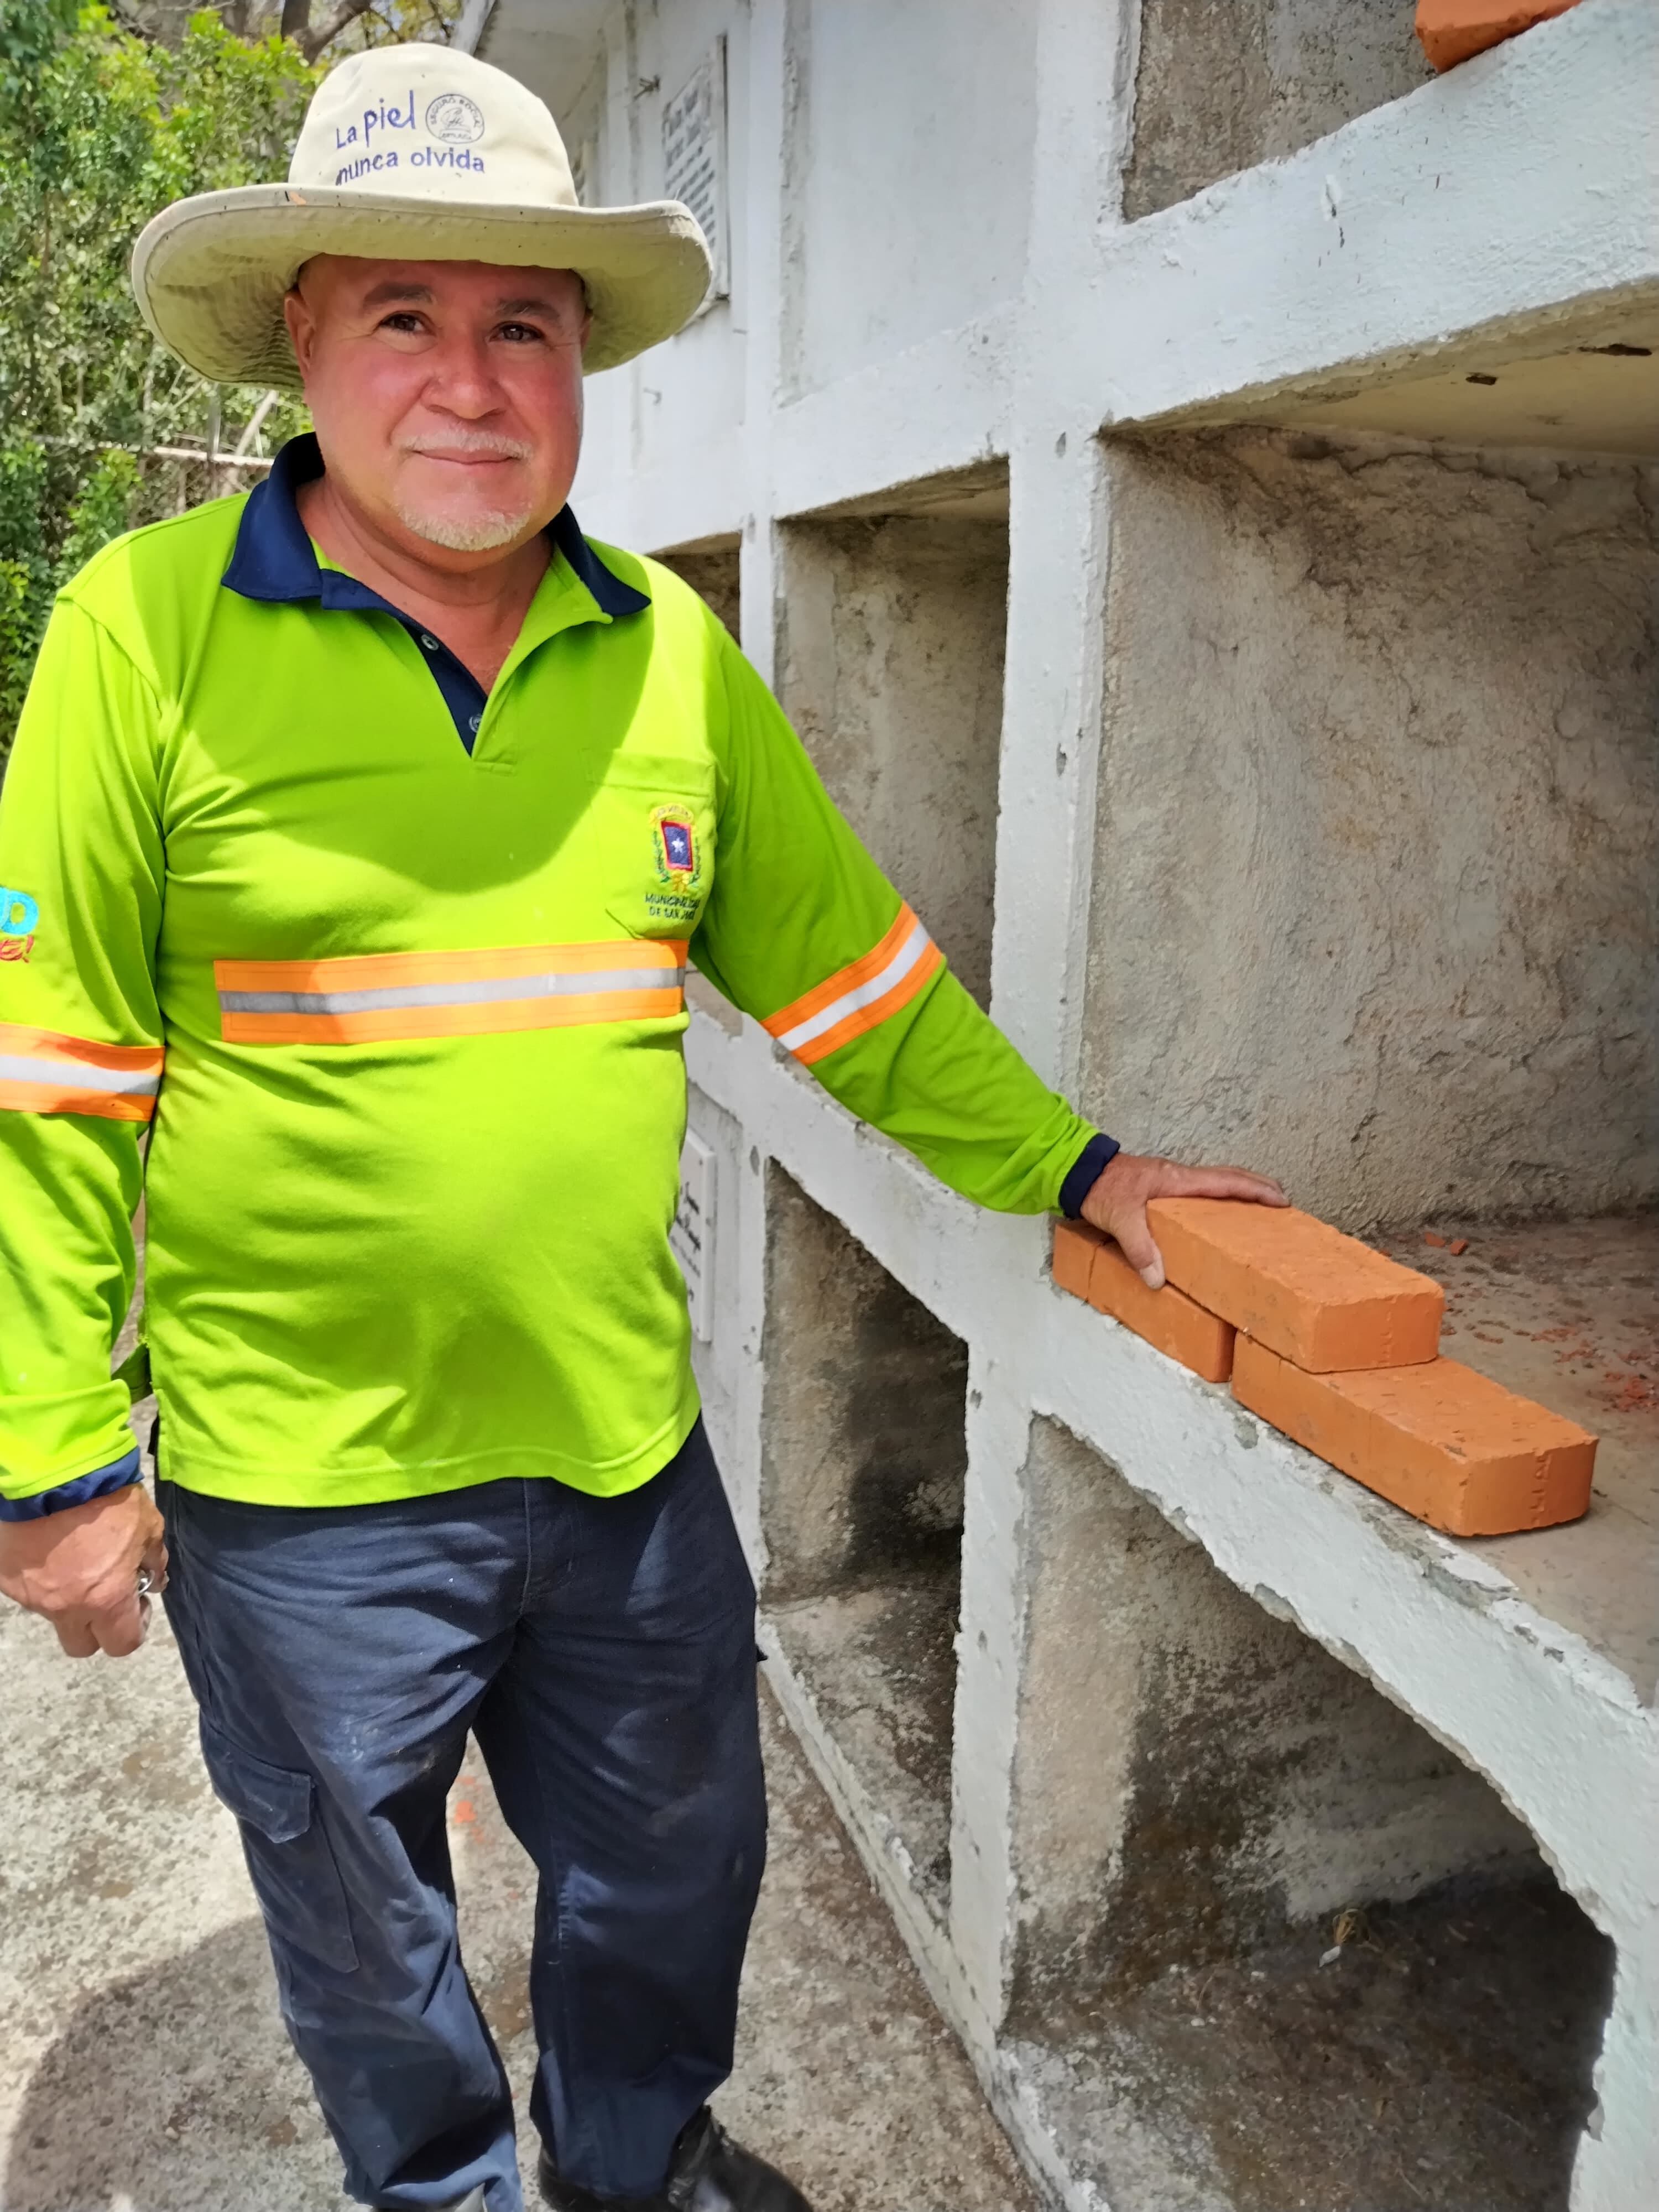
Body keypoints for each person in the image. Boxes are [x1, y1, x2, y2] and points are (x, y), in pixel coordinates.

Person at [0, 43, 1285, 2212]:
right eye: (406, 316)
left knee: (677, 1865)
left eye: (528, 324)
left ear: (582, 364)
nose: (474, 381)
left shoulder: (667, 654)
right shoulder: (143, 640)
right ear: (304, 335)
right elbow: (52, 1081)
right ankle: (439, 2186)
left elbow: (852, 982)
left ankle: (630, 2156)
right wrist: (51, 1463)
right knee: (364, 1921)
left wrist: (1082, 1171)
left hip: (618, 1457)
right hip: (300, 1494)